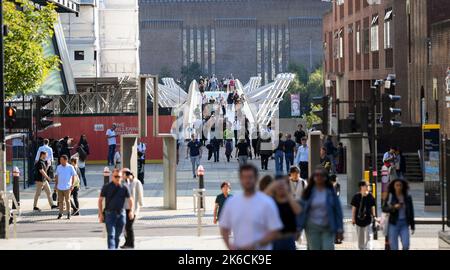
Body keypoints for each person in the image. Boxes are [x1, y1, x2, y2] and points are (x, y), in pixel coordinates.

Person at [219, 164, 283, 250]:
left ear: (256, 179)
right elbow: (224, 227)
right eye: (244, 177)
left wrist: (256, 245)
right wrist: (229, 246)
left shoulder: (267, 203)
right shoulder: (232, 202)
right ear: (240, 179)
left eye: (250, 177)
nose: (247, 180)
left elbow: (275, 231)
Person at [297, 167, 344, 250]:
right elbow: (301, 211)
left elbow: (338, 211)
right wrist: (298, 228)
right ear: (313, 178)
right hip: (312, 227)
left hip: (328, 226)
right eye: (316, 175)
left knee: (328, 247)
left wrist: (340, 228)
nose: (319, 177)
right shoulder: (308, 192)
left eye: (321, 175)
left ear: (325, 178)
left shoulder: (331, 192)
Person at [98, 169, 134, 250]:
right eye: (116, 176)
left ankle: (115, 247)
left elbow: (130, 199)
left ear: (122, 177)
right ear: (112, 177)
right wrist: (100, 213)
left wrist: (131, 211)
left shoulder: (124, 187)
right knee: (111, 234)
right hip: (110, 214)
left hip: (121, 214)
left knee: (117, 235)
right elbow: (100, 200)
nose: (118, 178)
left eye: (119, 177)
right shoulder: (107, 187)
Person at [268, 178, 301, 250]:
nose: (280, 188)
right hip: (275, 239)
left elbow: (298, 210)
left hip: (288, 238)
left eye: (283, 186)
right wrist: (271, 187)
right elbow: (261, 199)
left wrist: (288, 193)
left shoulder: (290, 201)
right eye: (278, 187)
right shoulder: (270, 201)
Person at [382, 178, 415, 250]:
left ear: (403, 186)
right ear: (393, 186)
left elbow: (411, 212)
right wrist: (394, 207)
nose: (398, 187)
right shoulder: (390, 196)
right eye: (396, 185)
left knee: (406, 245)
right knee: (394, 247)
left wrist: (412, 226)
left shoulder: (407, 197)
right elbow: (384, 208)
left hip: (404, 224)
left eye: (400, 185)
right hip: (393, 224)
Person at [121, 169, 144, 249]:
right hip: (126, 208)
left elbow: (140, 194)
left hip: (134, 208)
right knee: (125, 226)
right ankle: (127, 242)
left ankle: (131, 243)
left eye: (123, 175)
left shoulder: (137, 182)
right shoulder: (126, 183)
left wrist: (140, 204)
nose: (122, 177)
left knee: (129, 226)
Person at [351, 181, 376, 250]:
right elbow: (354, 209)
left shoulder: (370, 196)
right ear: (361, 187)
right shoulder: (356, 196)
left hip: (368, 219)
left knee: (369, 236)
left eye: (368, 186)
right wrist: (353, 219)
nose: (368, 187)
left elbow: (373, 207)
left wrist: (374, 216)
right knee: (360, 237)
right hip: (359, 220)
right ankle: (361, 248)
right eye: (366, 186)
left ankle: (368, 248)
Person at [54, 155, 76, 220]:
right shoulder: (58, 167)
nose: (60, 161)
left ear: (66, 160)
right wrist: (56, 185)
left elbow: (73, 176)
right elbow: (57, 176)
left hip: (67, 187)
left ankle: (68, 213)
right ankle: (60, 213)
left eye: (62, 160)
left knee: (67, 201)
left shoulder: (70, 167)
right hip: (60, 187)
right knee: (60, 201)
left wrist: (72, 185)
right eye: (60, 160)